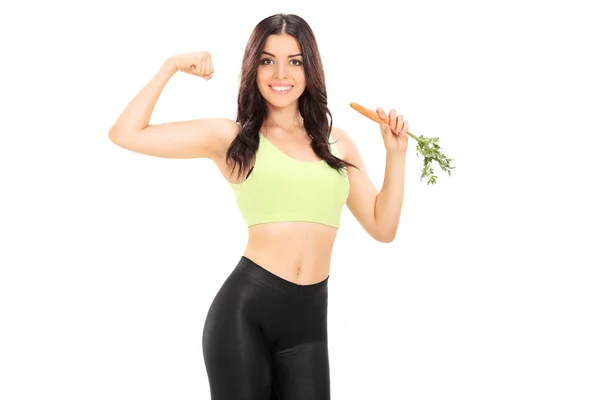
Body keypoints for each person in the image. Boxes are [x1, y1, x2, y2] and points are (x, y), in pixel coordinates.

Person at [108, 13, 409, 400]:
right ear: (253, 67)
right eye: (267, 60)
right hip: (243, 317)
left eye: (294, 61)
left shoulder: (339, 143)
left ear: (310, 69)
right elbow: (125, 133)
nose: (280, 73)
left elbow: (383, 228)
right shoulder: (233, 139)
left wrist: (395, 155)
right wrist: (171, 67)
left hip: (309, 325)